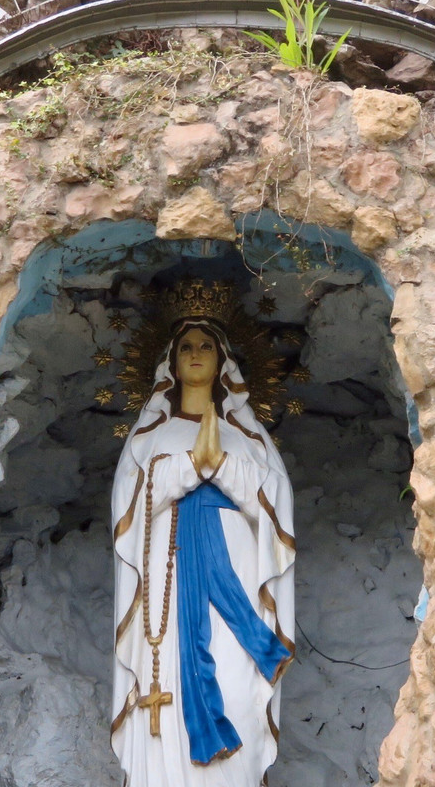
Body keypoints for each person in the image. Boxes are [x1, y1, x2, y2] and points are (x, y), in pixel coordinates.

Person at [110, 312, 296, 787]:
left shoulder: (249, 439)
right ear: (171, 362)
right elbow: (126, 510)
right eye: (186, 346)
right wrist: (190, 466)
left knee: (236, 689)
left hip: (235, 593)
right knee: (167, 693)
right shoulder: (149, 439)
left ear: (223, 361)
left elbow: (277, 512)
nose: (195, 354)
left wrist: (226, 468)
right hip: (166, 604)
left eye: (205, 346)